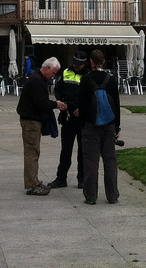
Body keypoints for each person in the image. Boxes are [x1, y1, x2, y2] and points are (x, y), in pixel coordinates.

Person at [15, 56, 66, 196]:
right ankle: (32, 185)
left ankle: (34, 181)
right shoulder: (36, 81)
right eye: (54, 73)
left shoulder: (37, 79)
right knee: (31, 152)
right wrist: (56, 104)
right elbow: (41, 103)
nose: (53, 76)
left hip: (32, 120)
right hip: (30, 121)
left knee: (34, 152)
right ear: (48, 68)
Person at [79, 49, 120, 205]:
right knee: (109, 160)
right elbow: (116, 104)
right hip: (109, 125)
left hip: (90, 125)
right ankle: (112, 195)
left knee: (91, 161)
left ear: (91, 62)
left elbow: (82, 105)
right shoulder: (111, 80)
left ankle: (91, 196)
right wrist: (117, 126)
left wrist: (83, 123)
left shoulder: (86, 80)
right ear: (104, 62)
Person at [50, 50, 89, 189]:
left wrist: (82, 108)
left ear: (85, 63)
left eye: (79, 64)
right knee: (65, 149)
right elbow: (58, 89)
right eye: (75, 63)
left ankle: (82, 179)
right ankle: (61, 178)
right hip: (67, 117)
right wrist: (61, 102)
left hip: (82, 118)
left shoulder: (88, 76)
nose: (76, 66)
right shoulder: (66, 72)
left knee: (83, 150)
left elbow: (90, 96)